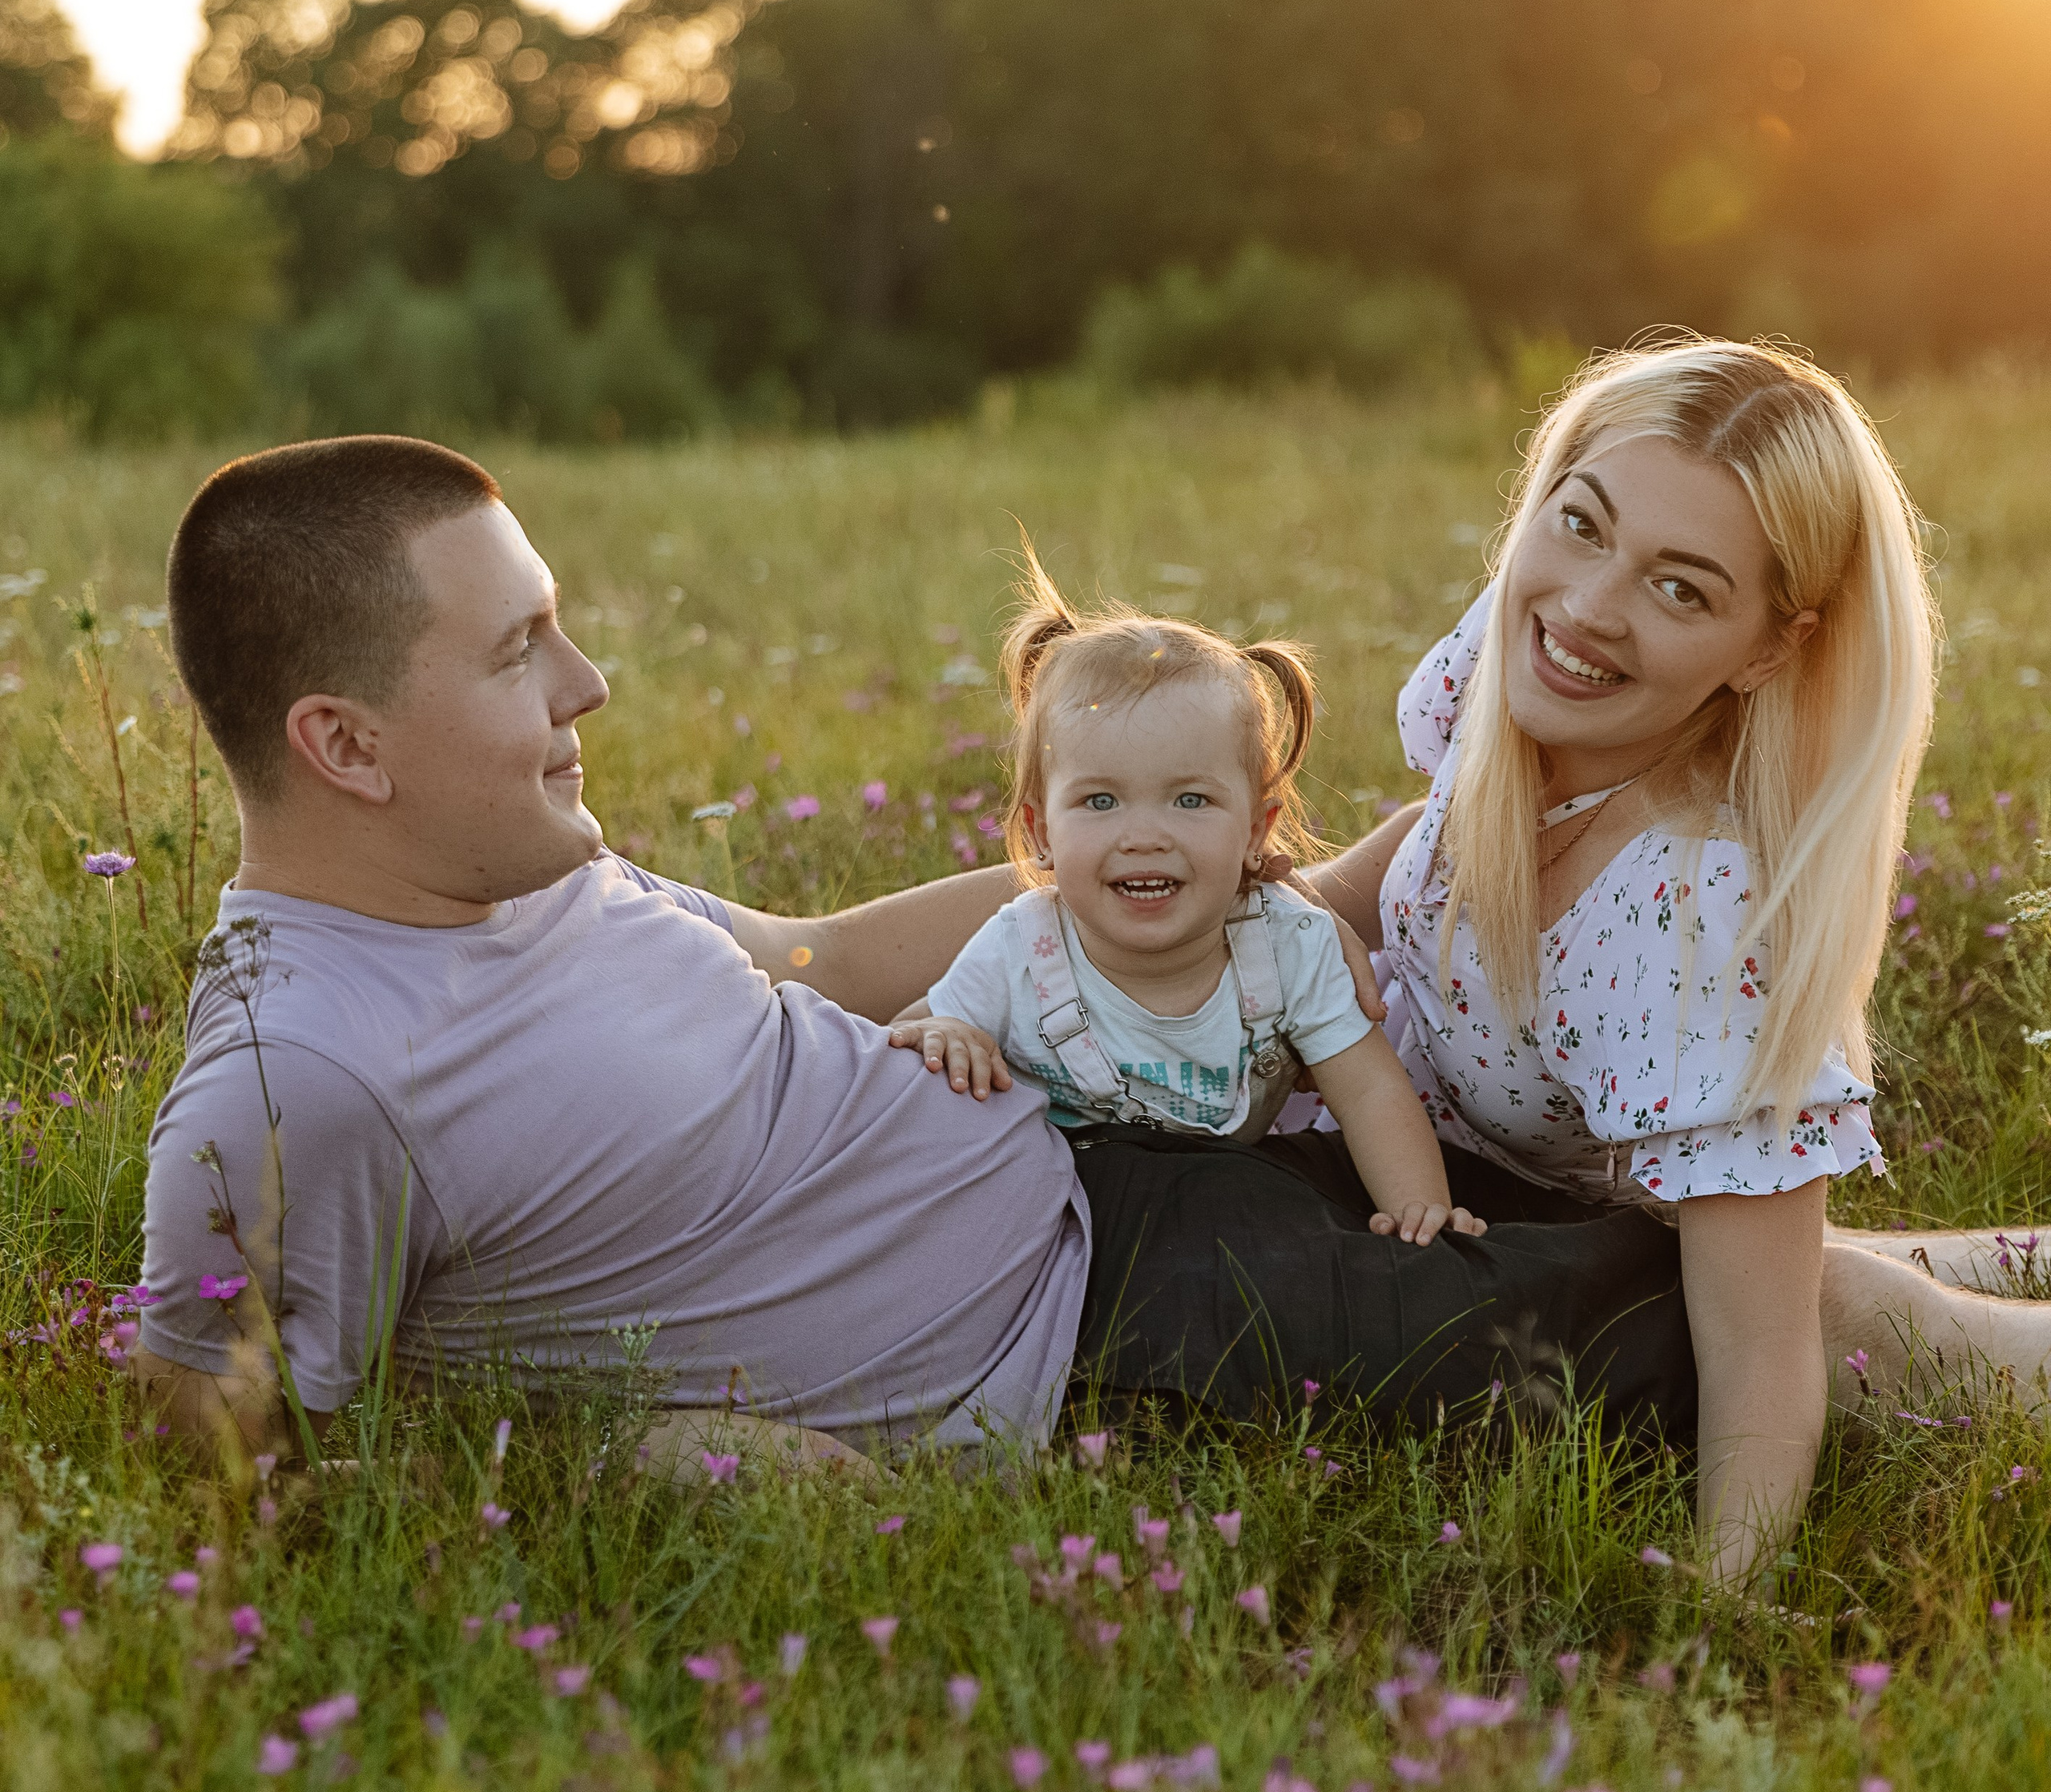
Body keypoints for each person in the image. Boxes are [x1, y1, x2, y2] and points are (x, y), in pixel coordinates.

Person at [131, 420, 2051, 1585]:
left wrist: (1186, 915)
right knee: (1699, 1327)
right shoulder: (301, 1089)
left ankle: (1970, 1261)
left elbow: (789, 952)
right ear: (343, 745)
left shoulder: (504, 868)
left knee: (1662, 1231)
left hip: (1117, 1153)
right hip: (1108, 1332)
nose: (589, 681)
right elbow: (235, 1473)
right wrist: (644, 1461)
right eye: (519, 650)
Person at [1300, 335, 2042, 1581]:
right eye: (1582, 523)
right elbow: (1424, 840)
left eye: (1682, 588)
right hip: (1510, 1183)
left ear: (1766, 648)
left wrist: (1721, 1597)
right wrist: (1289, 920)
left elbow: (1756, 1348)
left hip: (1635, 1246)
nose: (1592, 606)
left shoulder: (1686, 909)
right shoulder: (1539, 650)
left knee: (1835, 1308)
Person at [890, 554, 1485, 1246]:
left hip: (1224, 1210)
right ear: (1041, 831)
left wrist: (1420, 1207)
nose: (1144, 836)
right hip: (1056, 1217)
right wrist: (938, 1034)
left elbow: (1370, 1091)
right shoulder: (1023, 950)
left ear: (1256, 831)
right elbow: (898, 1041)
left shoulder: (1289, 944)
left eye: (1191, 799)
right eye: (1101, 800)